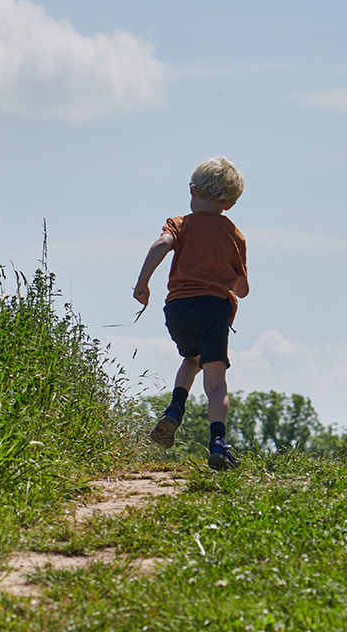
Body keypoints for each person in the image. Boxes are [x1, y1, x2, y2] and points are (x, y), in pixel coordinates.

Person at [133, 156, 249, 471]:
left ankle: (174, 409)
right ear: (230, 203)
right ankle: (218, 443)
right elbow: (242, 289)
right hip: (213, 308)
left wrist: (142, 283)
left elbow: (161, 245)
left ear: (192, 190)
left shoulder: (179, 224)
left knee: (190, 359)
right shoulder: (233, 235)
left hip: (178, 310)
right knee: (216, 382)